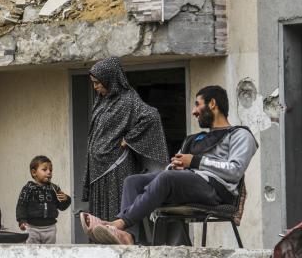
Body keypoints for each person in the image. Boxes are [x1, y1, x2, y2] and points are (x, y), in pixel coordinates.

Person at [82, 86, 258, 245]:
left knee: (167, 178)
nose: (194, 111)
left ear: (212, 104)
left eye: (197, 105)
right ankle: (128, 236)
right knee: (133, 181)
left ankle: (119, 223)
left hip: (216, 191)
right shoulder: (195, 139)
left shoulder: (240, 135)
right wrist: (175, 167)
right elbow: (171, 170)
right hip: (187, 183)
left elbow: (235, 171)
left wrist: (195, 162)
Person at [83, 57, 169, 221]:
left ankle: (121, 241)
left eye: (97, 83)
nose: (95, 87)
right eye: (93, 83)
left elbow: (152, 116)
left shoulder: (128, 99)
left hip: (117, 167)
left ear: (109, 78)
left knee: (116, 210)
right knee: (98, 217)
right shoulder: (102, 101)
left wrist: (129, 138)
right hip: (98, 168)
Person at [16, 155, 71, 244]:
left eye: (51, 170)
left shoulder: (54, 188)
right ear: (34, 173)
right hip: (32, 228)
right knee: (32, 252)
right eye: (44, 170)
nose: (49, 172)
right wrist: (21, 221)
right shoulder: (28, 188)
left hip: (50, 228)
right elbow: (21, 205)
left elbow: (61, 207)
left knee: (48, 253)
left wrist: (66, 199)